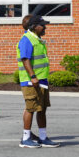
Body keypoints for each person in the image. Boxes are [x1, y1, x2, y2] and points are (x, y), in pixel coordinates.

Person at [17, 14, 59, 148]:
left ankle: (42, 137)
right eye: (42, 25)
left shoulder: (38, 39)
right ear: (34, 27)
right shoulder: (27, 40)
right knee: (31, 108)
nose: (45, 27)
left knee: (42, 109)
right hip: (31, 82)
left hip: (42, 81)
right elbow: (25, 59)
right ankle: (26, 138)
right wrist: (33, 76)